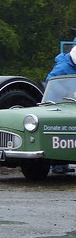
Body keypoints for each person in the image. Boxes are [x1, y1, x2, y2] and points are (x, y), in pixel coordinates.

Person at [46, 41, 76, 173]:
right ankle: (58, 165)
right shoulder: (63, 66)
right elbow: (50, 80)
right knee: (61, 131)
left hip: (72, 101)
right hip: (58, 100)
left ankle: (63, 164)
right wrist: (66, 92)